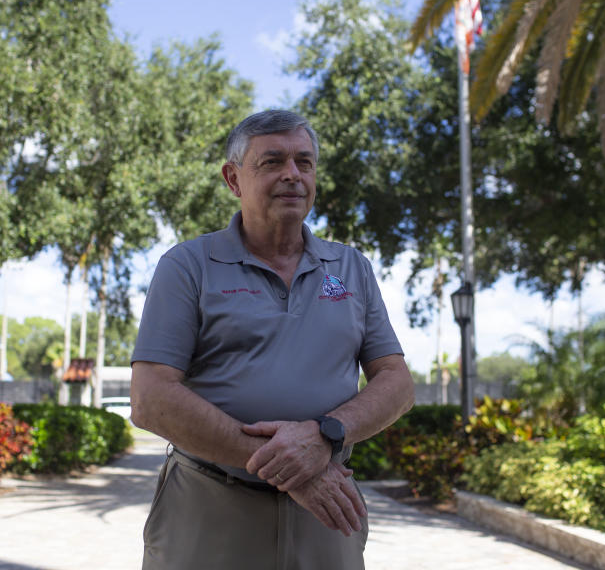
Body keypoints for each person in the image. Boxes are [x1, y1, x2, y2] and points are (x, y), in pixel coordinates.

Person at [130, 109, 415, 570]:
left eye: (304, 162)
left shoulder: (352, 269)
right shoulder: (187, 266)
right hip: (209, 509)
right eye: (272, 162)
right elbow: (150, 399)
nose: (292, 175)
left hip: (327, 514)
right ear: (233, 179)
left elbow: (397, 382)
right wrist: (288, 466)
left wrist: (325, 438)